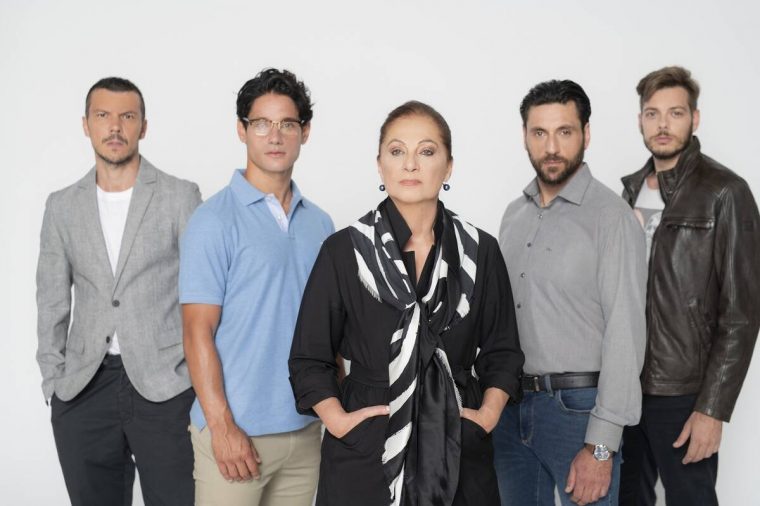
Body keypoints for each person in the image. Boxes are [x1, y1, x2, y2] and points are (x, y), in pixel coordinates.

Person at [289, 100, 524, 506]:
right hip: (366, 449)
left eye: (426, 151)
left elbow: (503, 352)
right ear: (380, 166)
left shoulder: (480, 251)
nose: (410, 164)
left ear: (448, 167)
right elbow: (310, 358)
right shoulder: (344, 251)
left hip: (458, 448)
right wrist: (339, 421)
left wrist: (485, 417)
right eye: (397, 151)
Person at [36, 77, 201, 506]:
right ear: (86, 124)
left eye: (127, 116)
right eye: (103, 116)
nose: (115, 127)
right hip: (84, 388)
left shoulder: (180, 196)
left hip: (166, 386)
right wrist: (53, 381)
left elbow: (202, 294)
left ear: (143, 126)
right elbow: (52, 299)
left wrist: (198, 381)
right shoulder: (61, 206)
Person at [180, 68, 333, 506]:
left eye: (287, 124)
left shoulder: (320, 224)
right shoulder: (213, 220)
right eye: (262, 123)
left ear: (305, 132)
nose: (275, 136)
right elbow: (196, 331)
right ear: (241, 130)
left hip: (305, 430)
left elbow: (328, 327)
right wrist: (222, 427)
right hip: (235, 435)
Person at [493, 80, 647, 506]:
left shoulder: (611, 218)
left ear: (586, 134)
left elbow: (626, 333)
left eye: (565, 131)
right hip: (511, 409)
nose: (551, 147)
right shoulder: (513, 215)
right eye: (539, 133)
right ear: (525, 136)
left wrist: (602, 445)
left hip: (579, 413)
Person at [619, 66, 760, 506]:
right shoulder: (626, 193)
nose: (662, 124)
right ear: (640, 120)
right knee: (624, 499)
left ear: (694, 119)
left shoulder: (725, 191)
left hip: (682, 391)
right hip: (625, 387)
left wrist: (712, 408)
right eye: (652, 113)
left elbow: (742, 314)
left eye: (675, 113)